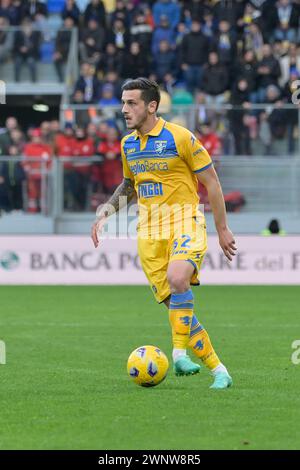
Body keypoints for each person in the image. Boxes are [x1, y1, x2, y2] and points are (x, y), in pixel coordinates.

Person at [91, 78, 236, 389]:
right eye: (123, 102)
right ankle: (219, 370)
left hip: (185, 221)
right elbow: (129, 185)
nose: (124, 109)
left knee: (178, 277)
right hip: (149, 232)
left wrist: (222, 229)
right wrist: (107, 210)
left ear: (151, 106)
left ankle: (178, 353)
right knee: (177, 308)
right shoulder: (127, 143)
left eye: (132, 103)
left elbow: (212, 183)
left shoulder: (180, 137)